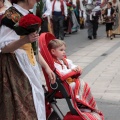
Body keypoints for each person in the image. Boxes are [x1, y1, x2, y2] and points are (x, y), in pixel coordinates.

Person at [0, 0, 56, 119]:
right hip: (15, 68)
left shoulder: (28, 14)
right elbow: (3, 48)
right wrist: (24, 40)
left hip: (29, 64)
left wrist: (46, 67)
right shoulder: (10, 17)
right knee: (24, 106)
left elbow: (33, 47)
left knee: (36, 99)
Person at [48, 39, 104, 119]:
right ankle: (80, 104)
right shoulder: (54, 64)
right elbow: (61, 74)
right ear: (53, 51)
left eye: (64, 50)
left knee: (83, 84)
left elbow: (72, 65)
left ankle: (84, 103)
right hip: (64, 84)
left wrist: (76, 68)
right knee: (79, 85)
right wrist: (71, 71)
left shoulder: (65, 61)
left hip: (69, 81)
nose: (64, 52)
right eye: (61, 50)